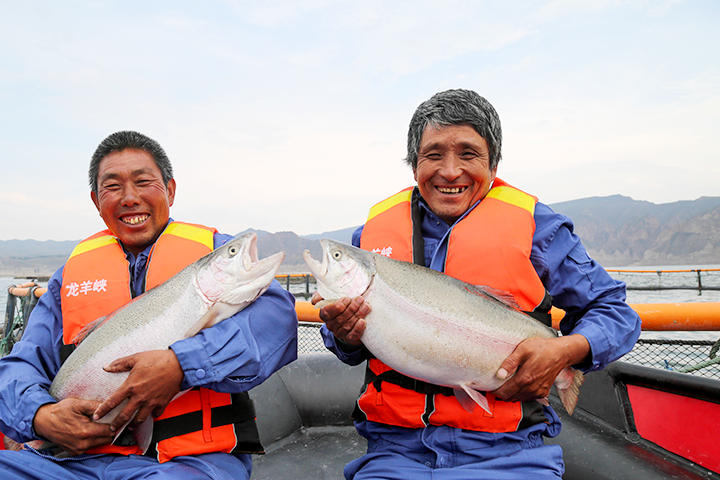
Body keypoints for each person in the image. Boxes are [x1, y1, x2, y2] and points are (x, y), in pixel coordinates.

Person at [315, 89, 641, 479]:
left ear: (494, 162)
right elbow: (347, 347)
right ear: (413, 163)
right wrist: (344, 334)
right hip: (393, 451)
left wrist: (567, 351)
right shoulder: (368, 238)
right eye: (433, 154)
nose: (450, 171)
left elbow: (614, 312)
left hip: (509, 452)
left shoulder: (540, 227)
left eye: (468, 154)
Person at [0, 131, 298, 479]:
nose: (130, 197)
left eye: (143, 181)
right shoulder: (68, 278)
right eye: (112, 187)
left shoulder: (213, 252)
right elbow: (20, 363)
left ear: (170, 190)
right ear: (97, 201)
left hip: (189, 462)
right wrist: (41, 416)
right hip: (69, 461)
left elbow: (277, 319)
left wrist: (179, 365)